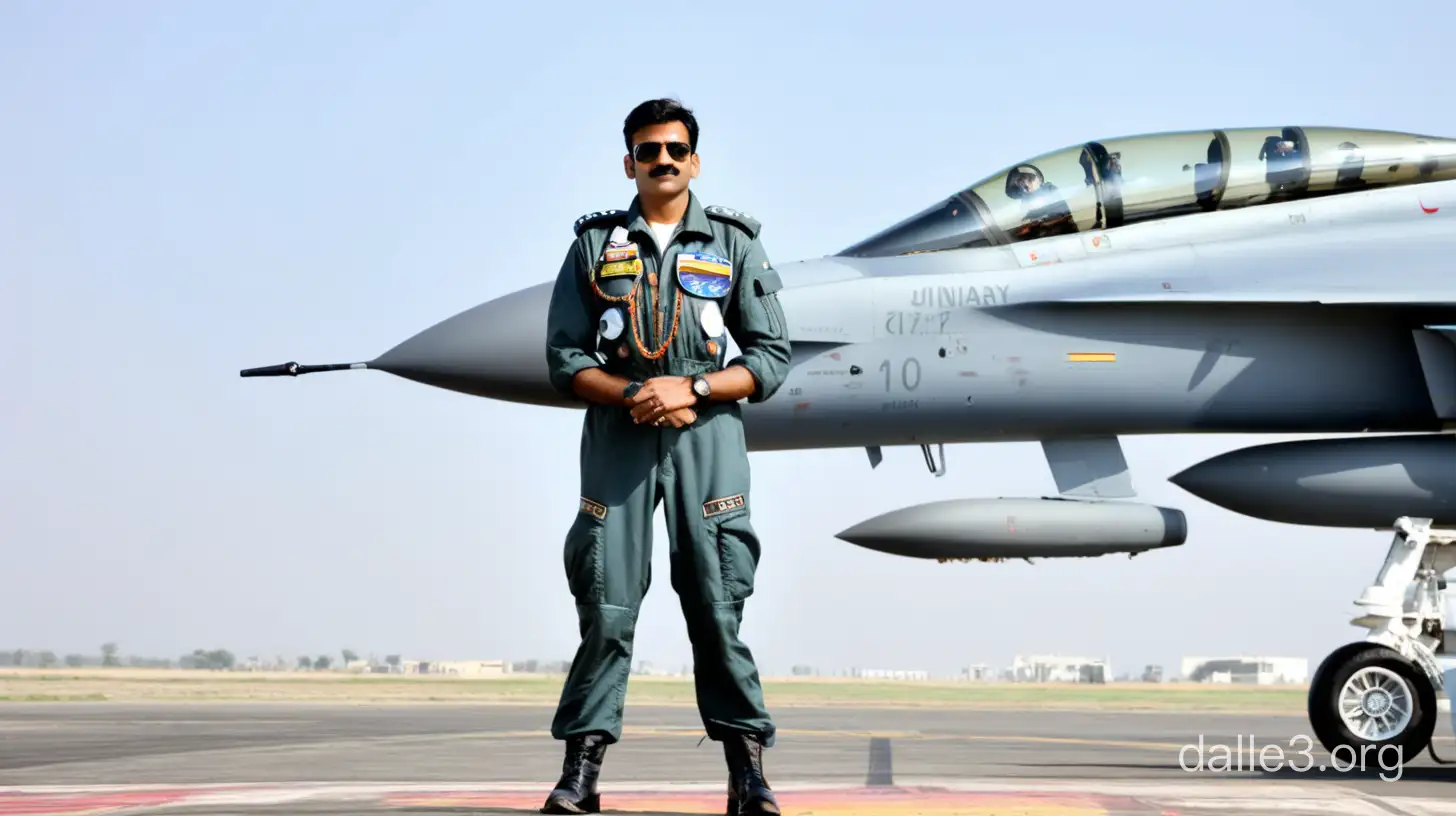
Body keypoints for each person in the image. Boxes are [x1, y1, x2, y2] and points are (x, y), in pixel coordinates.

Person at [540, 97, 792, 815]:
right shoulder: (594, 246)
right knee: (607, 603)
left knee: (717, 603)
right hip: (620, 436)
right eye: (648, 150)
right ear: (630, 162)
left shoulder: (734, 244)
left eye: (675, 149)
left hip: (707, 435)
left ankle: (747, 776)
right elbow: (564, 357)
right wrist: (635, 396)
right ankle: (580, 774)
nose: (663, 161)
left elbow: (771, 358)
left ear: (694, 160)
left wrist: (697, 386)